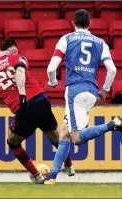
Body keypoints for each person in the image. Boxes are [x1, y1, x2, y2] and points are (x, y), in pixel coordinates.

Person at [40, 9, 122, 184]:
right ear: (89, 24)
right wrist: (105, 90)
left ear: (73, 23)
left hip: (75, 92)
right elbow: (112, 69)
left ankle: (112, 124)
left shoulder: (66, 39)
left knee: (75, 138)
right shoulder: (100, 42)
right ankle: (53, 176)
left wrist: (53, 82)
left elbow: (51, 68)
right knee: (64, 133)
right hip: (92, 92)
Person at [0, 39, 74, 184]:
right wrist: (23, 92)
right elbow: (20, 71)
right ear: (14, 50)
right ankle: (69, 166)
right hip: (41, 100)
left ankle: (36, 176)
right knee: (57, 138)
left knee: (12, 142)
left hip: (24, 108)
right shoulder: (18, 57)